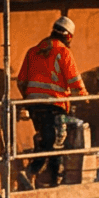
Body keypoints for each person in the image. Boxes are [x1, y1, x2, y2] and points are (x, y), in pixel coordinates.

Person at [14, 16, 82, 188]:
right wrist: (86, 98)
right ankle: (33, 171)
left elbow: (21, 81)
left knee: (48, 140)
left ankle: (51, 179)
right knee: (55, 142)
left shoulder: (33, 52)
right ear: (69, 37)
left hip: (34, 106)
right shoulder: (63, 52)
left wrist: (31, 98)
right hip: (54, 106)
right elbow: (75, 83)